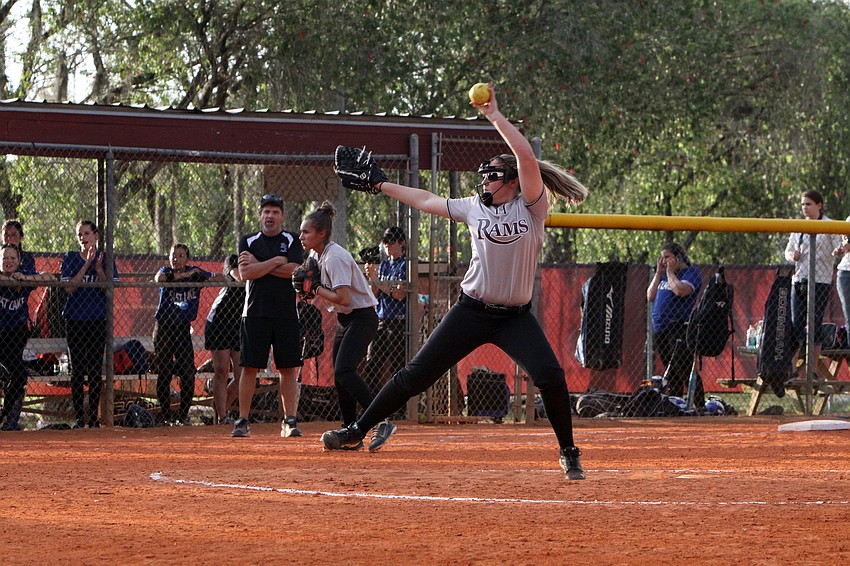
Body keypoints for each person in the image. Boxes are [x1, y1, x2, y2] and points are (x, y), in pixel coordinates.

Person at [322, 84, 589, 479]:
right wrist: (381, 184)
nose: (484, 182)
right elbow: (425, 200)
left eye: (493, 176)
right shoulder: (473, 209)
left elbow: (526, 157)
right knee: (415, 375)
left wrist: (494, 115)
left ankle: (568, 452)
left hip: (515, 317)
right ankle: (357, 430)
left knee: (550, 376)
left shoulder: (531, 207)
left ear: (512, 181)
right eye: (483, 177)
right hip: (472, 310)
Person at [299, 201, 388, 450]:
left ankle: (380, 421)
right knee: (340, 378)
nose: (301, 236)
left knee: (344, 371)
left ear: (321, 234)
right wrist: (309, 288)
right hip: (346, 319)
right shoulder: (316, 255)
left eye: (306, 232)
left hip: (362, 317)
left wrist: (315, 289)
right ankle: (352, 432)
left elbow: (344, 298)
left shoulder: (334, 258)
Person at [231, 193, 304, 439]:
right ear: (260, 215)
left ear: (282, 215)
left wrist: (259, 265)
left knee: (287, 368)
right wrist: (275, 261)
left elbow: (294, 271)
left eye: (275, 211)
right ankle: (243, 420)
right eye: (266, 211)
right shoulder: (248, 241)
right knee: (249, 367)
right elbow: (245, 273)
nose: (270, 216)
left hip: (285, 313)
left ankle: (289, 420)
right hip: (254, 313)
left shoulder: (293, 240)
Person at [153, 243, 221, 426]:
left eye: (181, 256)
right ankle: (166, 416)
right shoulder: (166, 271)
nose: (176, 259)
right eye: (173, 255)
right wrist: (184, 276)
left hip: (182, 328)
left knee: (188, 372)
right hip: (164, 328)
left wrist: (227, 276)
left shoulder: (195, 272)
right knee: (165, 371)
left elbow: (215, 277)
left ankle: (183, 415)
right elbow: (159, 279)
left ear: (187, 258)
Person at [61, 220, 118, 429]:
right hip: (75, 319)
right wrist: (86, 264)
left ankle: (93, 418)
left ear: (96, 235)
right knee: (77, 369)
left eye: (87, 233)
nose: (83, 238)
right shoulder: (70, 257)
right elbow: (70, 288)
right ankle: (79, 418)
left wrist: (98, 268)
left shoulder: (106, 259)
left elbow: (109, 290)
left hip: (97, 319)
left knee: (95, 369)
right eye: (80, 235)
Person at [784, 190, 843, 368]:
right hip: (800, 280)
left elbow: (838, 247)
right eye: (803, 204)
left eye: (808, 204)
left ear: (819, 205)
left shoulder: (830, 225)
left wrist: (837, 252)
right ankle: (792, 368)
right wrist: (792, 256)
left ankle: (812, 368)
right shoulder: (799, 227)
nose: (805, 208)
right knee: (796, 323)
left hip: (821, 282)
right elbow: (787, 251)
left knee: (814, 324)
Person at [0, 244, 53, 430]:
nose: (9, 262)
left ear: (19, 261)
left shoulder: (22, 277)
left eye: (13, 258)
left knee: (19, 375)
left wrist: (25, 278)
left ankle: (4, 415)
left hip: (16, 335)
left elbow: (49, 276)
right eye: (5, 258)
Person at [646, 242, 702, 402]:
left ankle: (699, 403)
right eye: (662, 257)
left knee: (683, 366)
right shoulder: (663, 275)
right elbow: (650, 296)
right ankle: (676, 402)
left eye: (667, 257)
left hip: (678, 326)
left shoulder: (691, 273)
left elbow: (680, 290)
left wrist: (670, 272)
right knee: (671, 370)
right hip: (660, 328)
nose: (663, 261)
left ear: (678, 258)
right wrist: (659, 273)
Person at [362, 227, 408, 406]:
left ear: (401, 243)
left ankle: (399, 406)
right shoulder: (385, 265)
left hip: (398, 320)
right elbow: (375, 293)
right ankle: (371, 404)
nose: (388, 245)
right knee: (372, 362)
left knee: (397, 365)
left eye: (392, 241)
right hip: (382, 317)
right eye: (386, 242)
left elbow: (399, 294)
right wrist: (372, 278)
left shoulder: (405, 265)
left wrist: (378, 282)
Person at [204, 254, 244, 425]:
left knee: (242, 375)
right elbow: (239, 276)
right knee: (221, 370)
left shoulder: (260, 263)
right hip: (219, 321)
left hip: (239, 323)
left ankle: (221, 410)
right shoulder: (233, 259)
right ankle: (222, 417)